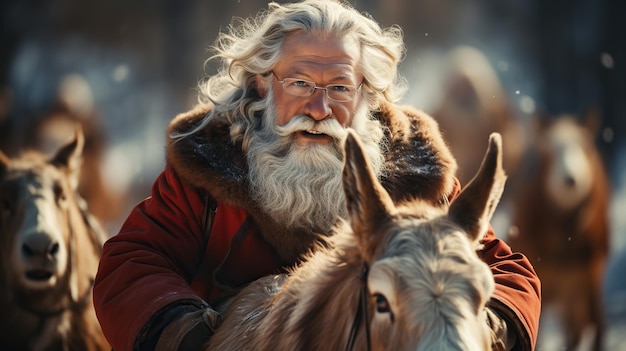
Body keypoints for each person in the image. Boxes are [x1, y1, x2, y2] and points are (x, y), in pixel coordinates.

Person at [93, 1, 541, 350]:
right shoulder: (211, 163)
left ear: (366, 95)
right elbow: (131, 263)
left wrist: (478, 323)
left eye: (340, 88)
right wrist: (185, 331)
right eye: (301, 83)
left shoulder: (414, 176)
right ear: (265, 84)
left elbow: (504, 271)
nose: (319, 109)